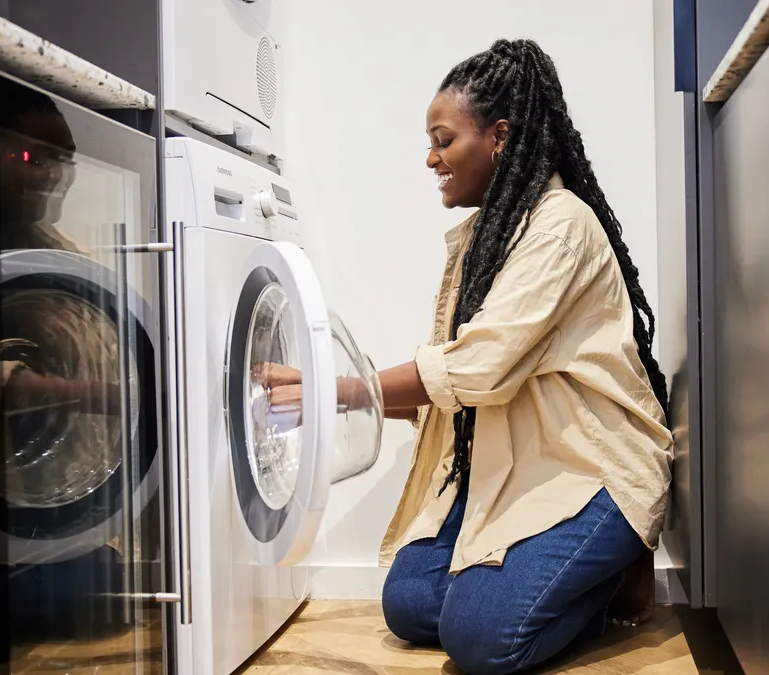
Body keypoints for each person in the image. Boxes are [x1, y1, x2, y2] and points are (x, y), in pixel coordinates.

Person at [271, 38, 673, 675]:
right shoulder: (485, 235)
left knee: (482, 638)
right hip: (515, 466)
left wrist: (334, 388)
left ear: (500, 137)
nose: (430, 159)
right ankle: (542, 582)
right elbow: (454, 378)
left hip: (589, 470)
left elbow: (476, 369)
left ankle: (609, 569)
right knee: (407, 605)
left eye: (443, 139)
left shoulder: (561, 224)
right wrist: (354, 393)